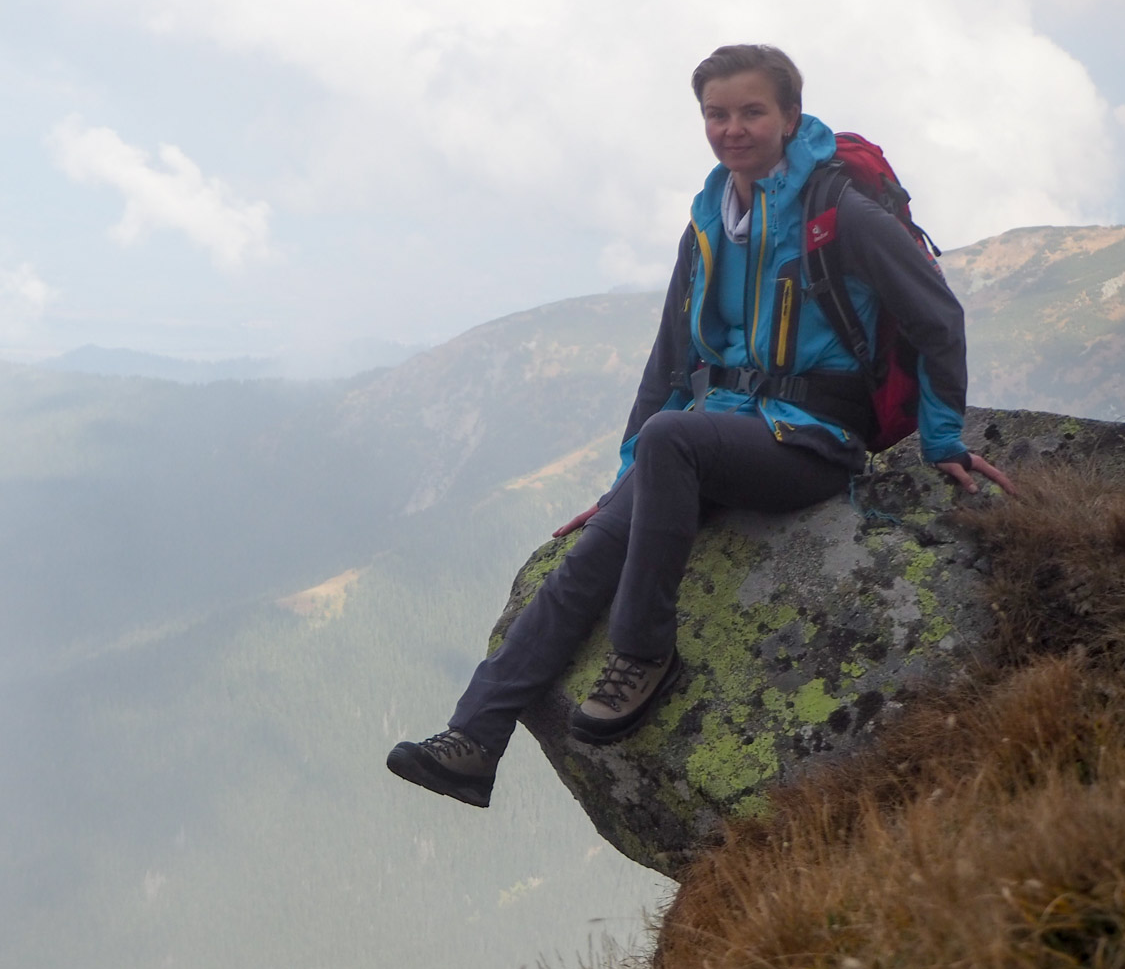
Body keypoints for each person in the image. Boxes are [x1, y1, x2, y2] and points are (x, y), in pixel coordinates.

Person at [386, 43, 1015, 810]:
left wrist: (944, 440)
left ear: (789, 114)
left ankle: (645, 653)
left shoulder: (838, 212)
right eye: (716, 113)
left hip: (812, 443)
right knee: (586, 559)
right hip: (716, 438)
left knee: (669, 440)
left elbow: (937, 318)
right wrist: (628, 480)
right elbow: (670, 364)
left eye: (752, 111)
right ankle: (473, 742)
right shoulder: (711, 220)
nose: (732, 128)